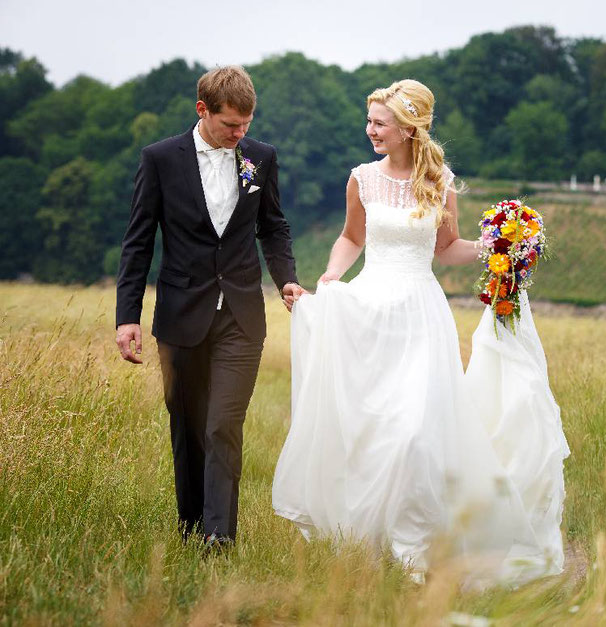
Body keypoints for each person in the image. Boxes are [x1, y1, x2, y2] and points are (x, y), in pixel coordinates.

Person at [272, 79, 567, 585]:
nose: (371, 131)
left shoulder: (441, 181)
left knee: (414, 434)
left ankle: (413, 546)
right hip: (370, 309)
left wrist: (496, 246)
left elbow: (446, 248)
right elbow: (351, 236)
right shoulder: (361, 178)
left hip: (420, 315)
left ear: (409, 128)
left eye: (380, 123)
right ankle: (368, 541)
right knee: (374, 430)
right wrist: (329, 280)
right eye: (369, 122)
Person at [115, 66, 305, 550]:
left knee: (223, 423)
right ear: (202, 111)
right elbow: (138, 242)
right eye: (230, 125)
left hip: (242, 314)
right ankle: (190, 526)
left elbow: (274, 227)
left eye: (246, 124)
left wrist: (286, 280)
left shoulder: (260, 158)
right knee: (187, 427)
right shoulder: (160, 159)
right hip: (180, 316)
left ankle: (219, 537)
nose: (240, 135)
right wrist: (126, 317)